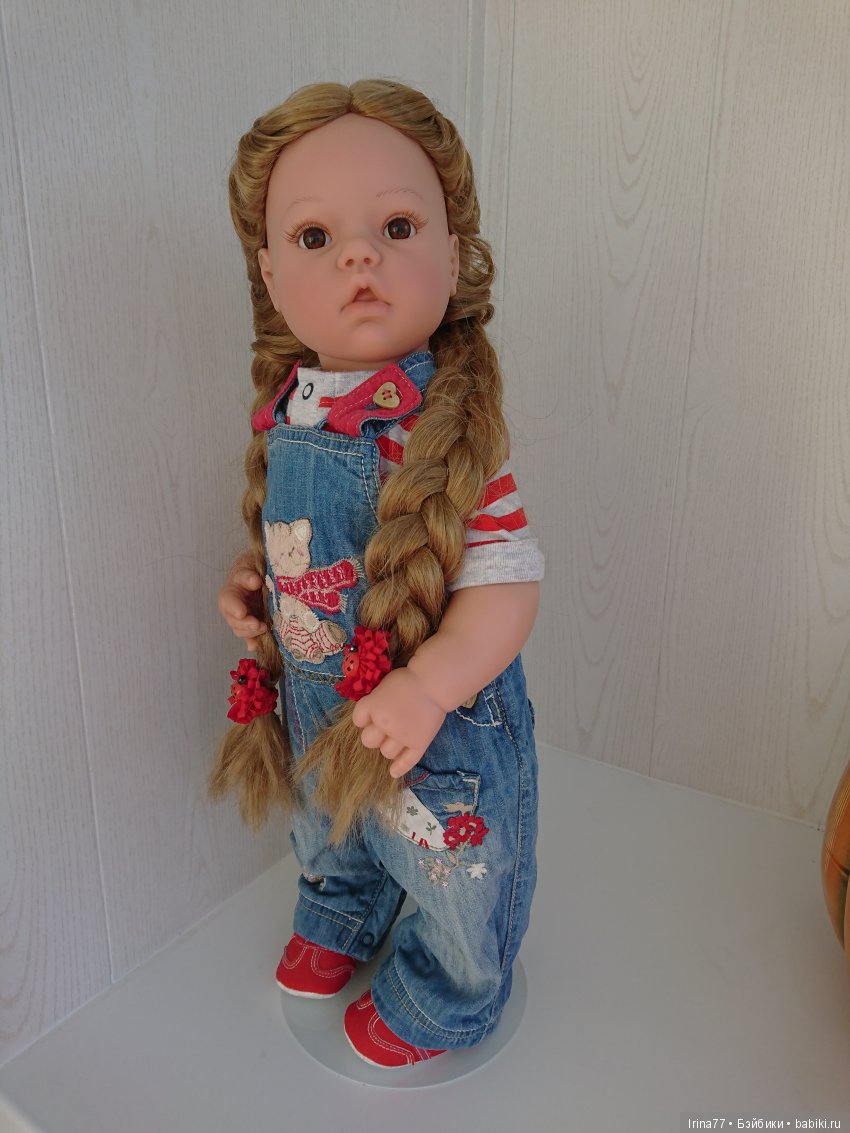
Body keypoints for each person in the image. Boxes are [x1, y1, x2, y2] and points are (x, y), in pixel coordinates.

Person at [212, 80, 544, 1068]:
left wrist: (431, 684)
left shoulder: (444, 424)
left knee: (449, 853)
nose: (359, 255)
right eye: (315, 237)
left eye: (397, 226)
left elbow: (509, 582)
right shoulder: (291, 405)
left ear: (454, 249)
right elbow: (301, 534)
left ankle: (452, 986)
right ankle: (342, 904)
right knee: (326, 820)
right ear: (270, 274)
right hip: (319, 695)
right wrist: (259, 583)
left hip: (435, 717)